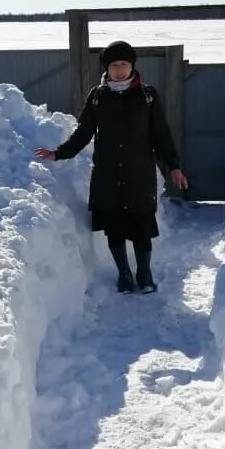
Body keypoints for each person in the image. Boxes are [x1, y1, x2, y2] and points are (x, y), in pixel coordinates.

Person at [35, 40, 188, 294]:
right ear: (107, 68)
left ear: (132, 67)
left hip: (139, 174)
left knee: (141, 228)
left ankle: (144, 272)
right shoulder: (98, 97)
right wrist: (58, 154)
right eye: (114, 65)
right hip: (107, 175)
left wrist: (174, 166)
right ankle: (124, 274)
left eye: (124, 64)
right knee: (114, 228)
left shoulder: (147, 96)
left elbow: (161, 134)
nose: (119, 70)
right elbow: (83, 133)